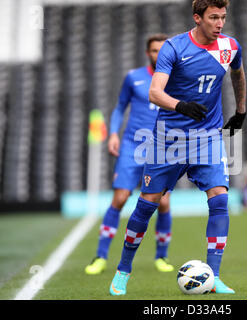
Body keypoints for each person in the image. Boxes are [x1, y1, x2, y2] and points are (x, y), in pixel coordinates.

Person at [109, 0, 246, 295]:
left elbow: (238, 73)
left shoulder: (230, 46)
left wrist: (242, 110)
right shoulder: (173, 48)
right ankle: (123, 269)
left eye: (223, 17)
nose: (220, 23)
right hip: (167, 140)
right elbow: (155, 92)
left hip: (207, 137)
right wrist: (181, 105)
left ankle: (214, 277)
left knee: (220, 200)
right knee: (147, 205)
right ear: (197, 18)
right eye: (213, 18)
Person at [85, 33, 175, 275]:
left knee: (163, 201)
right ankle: (100, 256)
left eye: (162, 50)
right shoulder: (133, 77)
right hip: (132, 146)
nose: (158, 54)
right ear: (148, 53)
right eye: (154, 50)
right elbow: (119, 107)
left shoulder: (176, 78)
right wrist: (113, 133)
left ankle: (161, 257)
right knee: (120, 198)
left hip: (162, 148)